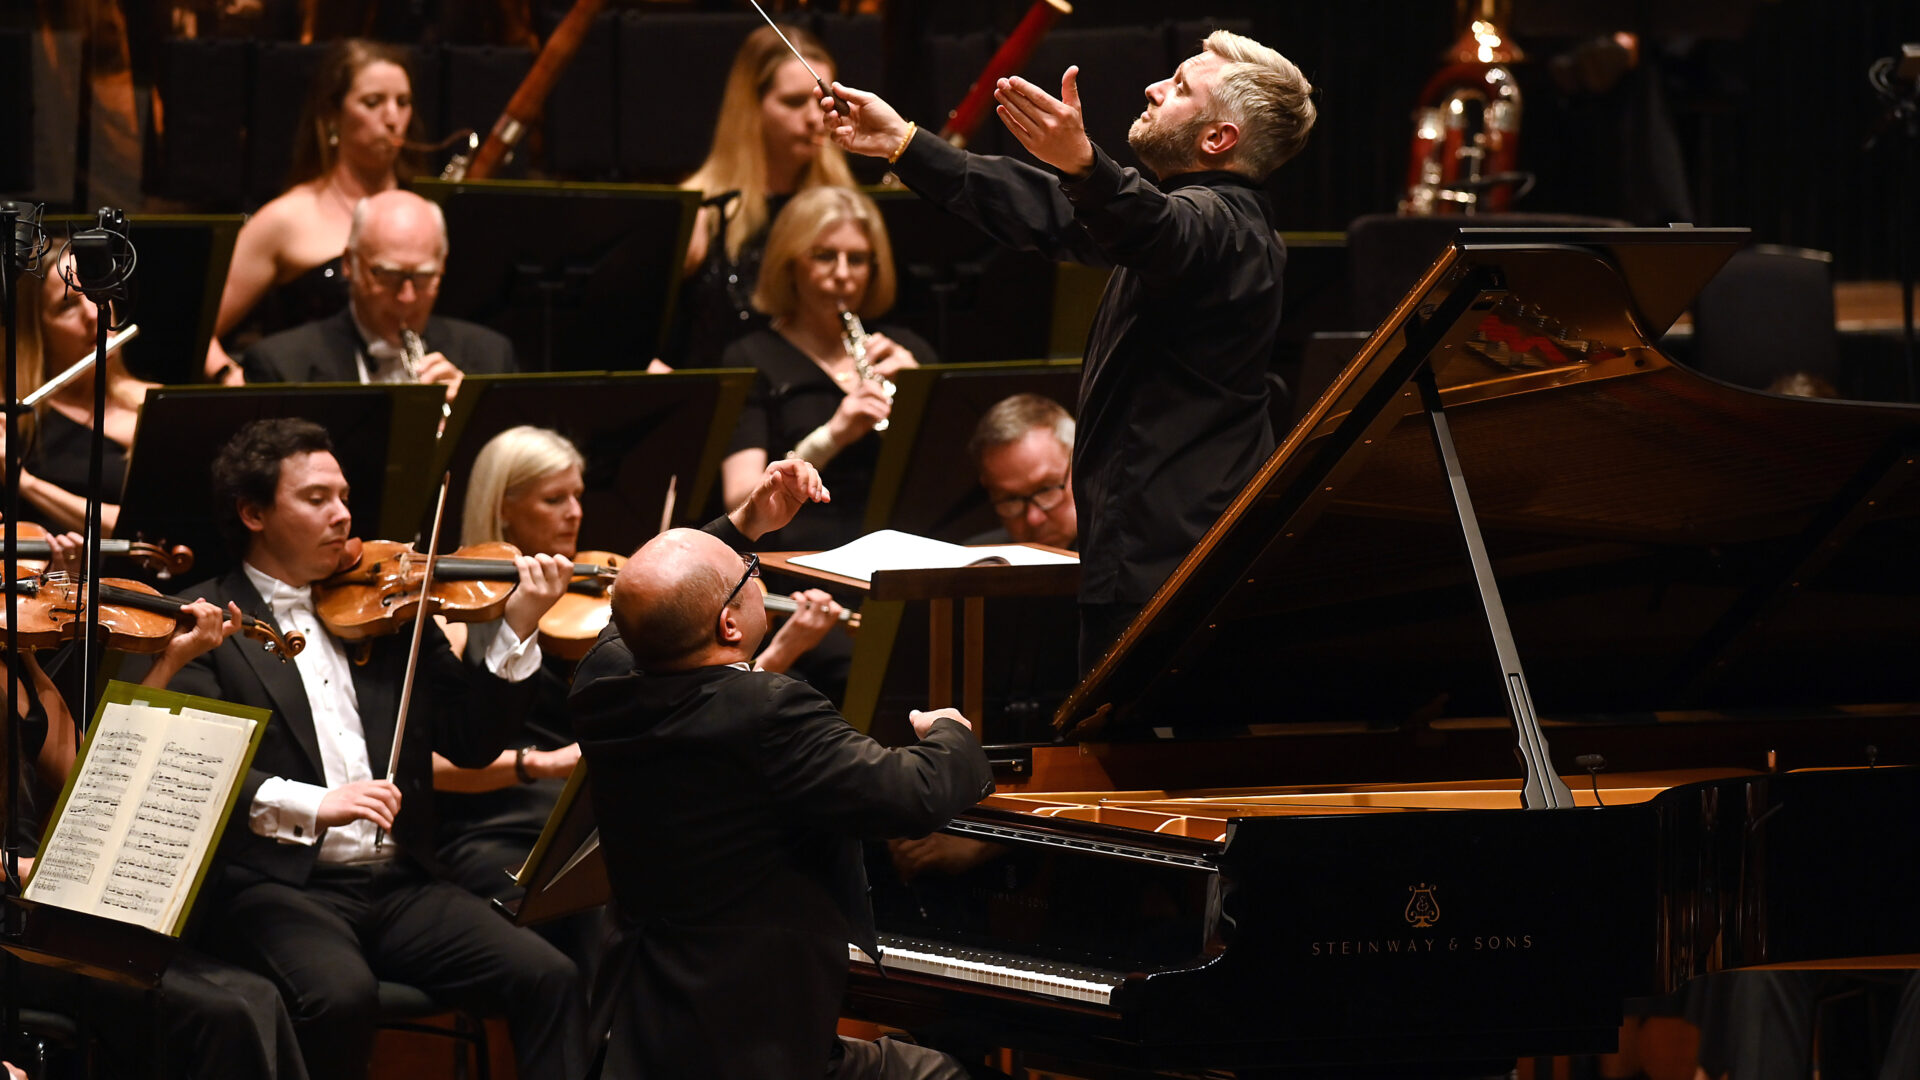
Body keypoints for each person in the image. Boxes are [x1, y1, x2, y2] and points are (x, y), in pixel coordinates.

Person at [824, 30, 1317, 675]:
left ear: (1217, 138)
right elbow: (1052, 213)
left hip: (1178, 575)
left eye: (1179, 87)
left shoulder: (1229, 232)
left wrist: (1086, 166)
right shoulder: (1170, 233)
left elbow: (1158, 227)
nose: (1153, 87)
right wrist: (905, 144)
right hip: (1150, 564)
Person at [163, 418, 586, 1080]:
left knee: (549, 976)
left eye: (344, 495)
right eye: (315, 499)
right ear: (253, 513)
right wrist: (317, 803)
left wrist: (519, 627)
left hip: (401, 884)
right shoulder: (206, 624)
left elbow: (471, 744)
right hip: (279, 886)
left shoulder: (387, 614)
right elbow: (191, 773)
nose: (343, 515)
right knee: (339, 996)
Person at [568, 480, 994, 1078]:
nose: (758, 576)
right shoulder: (765, 712)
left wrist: (745, 523)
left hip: (643, 1023)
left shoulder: (599, 688)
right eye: (749, 573)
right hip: (753, 1042)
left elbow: (650, 601)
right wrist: (953, 733)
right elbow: (914, 793)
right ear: (729, 626)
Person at [430, 426, 841, 932]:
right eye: (554, 499)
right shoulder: (451, 618)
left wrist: (776, 643)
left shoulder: (593, 592)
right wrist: (542, 764)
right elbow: (425, 762)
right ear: (503, 506)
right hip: (498, 827)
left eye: (578, 496)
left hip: (595, 820)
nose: (574, 513)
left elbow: (685, 694)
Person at [2, 539, 311, 1080]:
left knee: (256, 995)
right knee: (223, 1015)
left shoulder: (18, 659)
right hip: (11, 926)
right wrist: (15, 869)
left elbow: (92, 778)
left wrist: (171, 660)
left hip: (44, 911)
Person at [720, 185, 928, 554]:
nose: (844, 275)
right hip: (799, 557)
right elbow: (739, 497)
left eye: (859, 259)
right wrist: (831, 437)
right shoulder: (750, 358)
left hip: (904, 547)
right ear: (789, 263)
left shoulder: (905, 351)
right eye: (825, 256)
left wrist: (920, 396)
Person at [205, 39, 417, 385]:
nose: (393, 119)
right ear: (332, 115)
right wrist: (231, 380)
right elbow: (197, 329)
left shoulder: (421, 214)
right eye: (373, 103)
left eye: (403, 103)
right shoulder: (286, 218)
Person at [666, 23, 858, 369]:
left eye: (824, 103)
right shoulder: (700, 210)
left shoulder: (843, 204)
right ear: (751, 106)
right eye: (794, 102)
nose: (815, 119)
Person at [240, 189, 517, 399]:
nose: (407, 297)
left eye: (422, 277)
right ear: (349, 263)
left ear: (442, 265)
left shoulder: (491, 357)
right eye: (388, 275)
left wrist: (466, 422)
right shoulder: (281, 368)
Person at [4, 250, 152, 534]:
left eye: (98, 292)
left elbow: (158, 525)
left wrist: (26, 483)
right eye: (67, 306)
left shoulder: (156, 399)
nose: (94, 312)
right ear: (36, 333)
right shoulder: (19, 423)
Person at [966, 393, 1078, 548]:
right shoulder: (976, 560)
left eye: (1045, 490)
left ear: (1079, 465)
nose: (1034, 518)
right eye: (1011, 499)